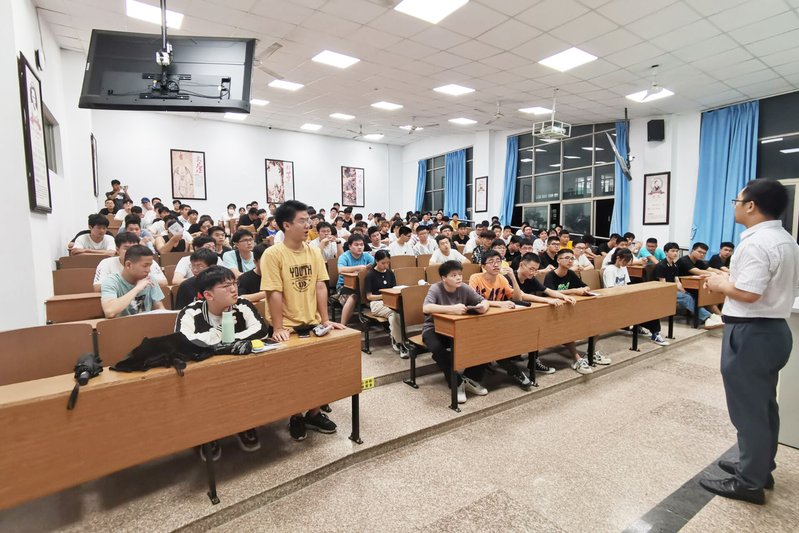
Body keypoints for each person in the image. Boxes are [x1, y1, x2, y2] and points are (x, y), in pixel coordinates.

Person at [697, 179, 799, 504]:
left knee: (748, 411)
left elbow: (749, 294)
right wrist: (728, 278)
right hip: (773, 331)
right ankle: (759, 466)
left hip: (751, 333)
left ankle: (749, 482)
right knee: (764, 405)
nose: (736, 206)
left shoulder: (756, 243)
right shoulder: (785, 239)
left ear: (751, 205)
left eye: (737, 201)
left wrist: (720, 284)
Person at [260, 200, 344, 441]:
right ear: (286, 225)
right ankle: (296, 415)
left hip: (313, 322)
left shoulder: (313, 251)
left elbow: (320, 286)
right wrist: (278, 327)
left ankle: (313, 413)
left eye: (309, 220)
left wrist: (325, 320)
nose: (309, 225)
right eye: (303, 221)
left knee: (318, 372)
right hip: (287, 326)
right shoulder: (273, 254)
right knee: (292, 376)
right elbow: (273, 292)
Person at [176, 266, 269, 460]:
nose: (234, 289)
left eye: (234, 283)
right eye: (226, 286)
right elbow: (184, 342)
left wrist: (223, 342)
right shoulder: (190, 312)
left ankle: (244, 424)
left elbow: (260, 330)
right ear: (208, 295)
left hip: (240, 370)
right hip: (203, 374)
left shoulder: (242, 304)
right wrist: (220, 331)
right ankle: (207, 434)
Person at [423, 261, 490, 404]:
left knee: (483, 342)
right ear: (444, 278)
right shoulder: (436, 288)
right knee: (437, 349)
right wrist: (452, 309)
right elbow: (426, 308)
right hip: (434, 328)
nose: (458, 278)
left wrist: (483, 306)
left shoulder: (464, 287)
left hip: (458, 328)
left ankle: (469, 379)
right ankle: (456, 382)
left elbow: (483, 301)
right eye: (453, 275)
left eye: (460, 274)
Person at [469, 251, 535, 390]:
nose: (496, 264)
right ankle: (515, 372)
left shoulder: (502, 279)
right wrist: (499, 304)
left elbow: (518, 298)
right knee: (493, 345)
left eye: (498, 261)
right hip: (478, 321)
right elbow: (474, 301)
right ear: (483, 266)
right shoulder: (475, 278)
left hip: (497, 321)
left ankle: (510, 367)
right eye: (491, 261)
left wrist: (513, 278)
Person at [508, 253, 579, 375]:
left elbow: (547, 290)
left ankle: (533, 361)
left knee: (537, 326)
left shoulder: (530, 278)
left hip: (522, 314)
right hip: (508, 315)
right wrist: (547, 300)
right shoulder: (509, 277)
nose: (533, 272)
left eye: (536, 270)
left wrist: (563, 297)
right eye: (531, 269)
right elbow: (522, 296)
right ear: (521, 265)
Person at [544, 248, 610, 373]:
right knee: (569, 328)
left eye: (572, 258)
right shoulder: (550, 275)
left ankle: (591, 353)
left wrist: (584, 290)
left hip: (571, 308)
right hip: (554, 311)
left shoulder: (570, 274)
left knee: (596, 324)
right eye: (567, 258)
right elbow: (550, 293)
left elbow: (586, 286)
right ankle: (577, 358)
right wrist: (574, 291)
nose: (570, 261)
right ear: (558, 260)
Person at [603, 248, 670, 346]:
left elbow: (626, 285)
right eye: (625, 261)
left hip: (625, 297)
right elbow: (611, 290)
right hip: (614, 300)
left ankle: (650, 331)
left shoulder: (623, 268)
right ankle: (654, 333)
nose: (626, 263)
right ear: (618, 258)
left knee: (650, 305)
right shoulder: (610, 270)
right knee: (642, 310)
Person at [655, 242, 724, 329]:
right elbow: (663, 284)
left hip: (673, 289)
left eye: (676, 251)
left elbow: (677, 281)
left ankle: (711, 316)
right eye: (672, 251)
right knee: (686, 298)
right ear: (666, 252)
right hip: (662, 290)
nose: (675, 253)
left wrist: (683, 290)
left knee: (691, 295)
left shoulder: (674, 265)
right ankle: (708, 317)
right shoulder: (661, 265)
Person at [100, 245, 166, 318]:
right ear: (128, 265)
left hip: (145, 323)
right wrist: (137, 289)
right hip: (121, 324)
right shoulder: (111, 281)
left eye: (150, 265)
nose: (148, 270)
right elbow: (109, 311)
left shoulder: (150, 280)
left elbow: (160, 308)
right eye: (145, 266)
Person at [363, 250, 407, 357]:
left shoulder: (390, 273)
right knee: (394, 312)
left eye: (388, 263)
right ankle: (400, 343)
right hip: (376, 303)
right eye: (383, 263)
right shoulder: (370, 275)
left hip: (390, 301)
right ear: (376, 261)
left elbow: (394, 289)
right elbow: (369, 296)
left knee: (399, 312)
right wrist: (384, 296)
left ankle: (398, 340)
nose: (386, 265)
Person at [93, 232, 167, 291]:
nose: (132, 252)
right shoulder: (106, 263)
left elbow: (163, 283)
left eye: (135, 248)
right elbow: (98, 287)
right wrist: (135, 284)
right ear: (117, 250)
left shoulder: (148, 262)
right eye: (127, 248)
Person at [336, 234, 375, 325]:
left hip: (363, 284)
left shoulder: (366, 255)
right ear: (350, 246)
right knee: (354, 296)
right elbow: (340, 270)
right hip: (345, 286)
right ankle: (343, 324)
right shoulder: (344, 256)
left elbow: (376, 265)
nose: (360, 247)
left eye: (361, 245)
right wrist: (358, 267)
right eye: (356, 245)